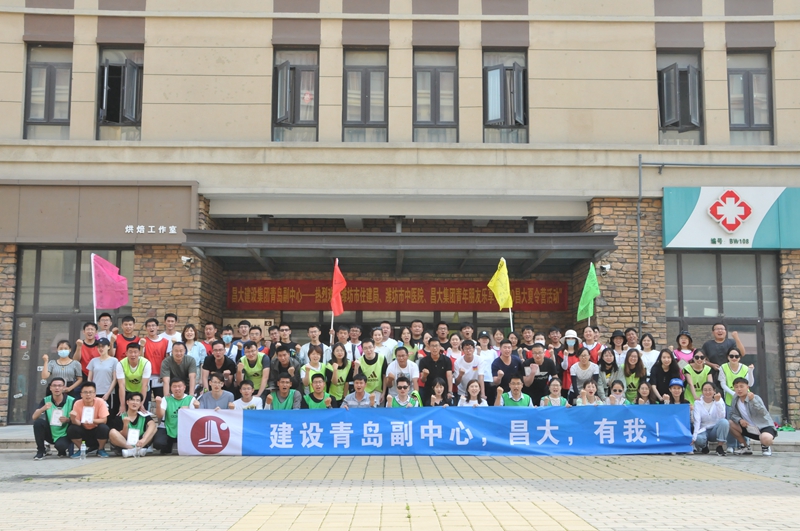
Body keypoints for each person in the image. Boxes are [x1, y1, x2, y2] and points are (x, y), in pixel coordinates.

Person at [729, 377, 776, 456]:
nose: (739, 389)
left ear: (747, 387)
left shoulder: (755, 397)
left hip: (763, 427)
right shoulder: (735, 399)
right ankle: (745, 447)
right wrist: (740, 420)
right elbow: (732, 414)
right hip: (749, 428)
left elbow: (763, 413)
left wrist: (753, 400)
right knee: (730, 423)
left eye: (741, 386)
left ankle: (765, 445)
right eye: (736, 387)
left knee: (766, 439)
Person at [31, 378, 75, 460]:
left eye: (59, 386)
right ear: (50, 388)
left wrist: (68, 420)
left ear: (64, 388)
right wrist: (42, 409)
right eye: (54, 386)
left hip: (64, 433)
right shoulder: (46, 400)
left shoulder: (71, 400)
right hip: (50, 432)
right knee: (38, 423)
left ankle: (62, 450)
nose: (57, 388)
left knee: (61, 446)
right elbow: (34, 417)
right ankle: (41, 451)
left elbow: (77, 419)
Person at [67, 382, 110, 458]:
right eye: (85, 392)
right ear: (81, 394)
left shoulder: (100, 402)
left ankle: (101, 449)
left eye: (90, 392)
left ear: (95, 394)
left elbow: (104, 420)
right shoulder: (77, 403)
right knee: (72, 428)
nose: (88, 395)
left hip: (96, 429)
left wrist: (92, 420)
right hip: (83, 429)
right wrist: (73, 418)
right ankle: (81, 450)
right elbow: (78, 423)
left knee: (104, 428)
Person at [108, 392, 156, 457]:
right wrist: (125, 425)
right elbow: (123, 436)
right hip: (125, 444)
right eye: (132, 400)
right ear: (127, 402)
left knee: (154, 428)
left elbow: (152, 424)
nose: (135, 402)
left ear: (140, 403)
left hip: (140, 442)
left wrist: (143, 439)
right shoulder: (120, 417)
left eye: (137, 401)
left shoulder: (144, 415)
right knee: (112, 432)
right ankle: (133, 450)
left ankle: (136, 450)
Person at [154, 379, 195, 454]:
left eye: (179, 386)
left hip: (185, 430)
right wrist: (158, 404)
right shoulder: (166, 399)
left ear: (184, 387)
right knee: (158, 444)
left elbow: (194, 418)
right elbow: (160, 415)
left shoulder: (191, 399)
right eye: (174, 386)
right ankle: (167, 447)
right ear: (171, 388)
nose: (177, 388)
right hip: (167, 427)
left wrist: (188, 410)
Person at [140, 318, 171, 401]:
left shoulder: (165, 341)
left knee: (161, 400)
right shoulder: (143, 341)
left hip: (160, 376)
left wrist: (164, 374)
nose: (151, 328)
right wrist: (142, 346)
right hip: (147, 376)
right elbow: (141, 358)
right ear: (146, 328)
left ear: (158, 327)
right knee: (145, 400)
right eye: (149, 326)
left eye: (153, 325)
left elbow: (167, 359)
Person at [693, 382, 729, 456]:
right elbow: (697, 420)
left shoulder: (719, 400)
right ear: (702, 391)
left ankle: (719, 447)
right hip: (703, 429)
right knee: (698, 438)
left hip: (715, 430)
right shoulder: (697, 403)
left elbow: (722, 416)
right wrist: (694, 435)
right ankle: (704, 446)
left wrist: (718, 402)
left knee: (724, 422)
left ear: (714, 391)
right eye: (705, 390)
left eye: (710, 390)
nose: (707, 392)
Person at [86, 338, 119, 418]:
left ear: (108, 347)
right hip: (95, 393)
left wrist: (108, 393)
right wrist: (91, 392)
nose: (101, 348)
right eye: (99, 346)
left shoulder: (114, 360)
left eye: (103, 346)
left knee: (108, 415)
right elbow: (89, 379)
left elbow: (115, 379)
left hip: (108, 393)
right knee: (94, 414)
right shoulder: (93, 361)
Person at [116, 343, 152, 411]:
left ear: (139, 353)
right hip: (128, 391)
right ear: (126, 353)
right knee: (126, 412)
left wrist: (141, 404)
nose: (133, 355)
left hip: (142, 391)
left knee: (142, 412)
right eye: (130, 352)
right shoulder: (120, 364)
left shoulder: (146, 363)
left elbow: (145, 385)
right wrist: (122, 405)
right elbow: (121, 385)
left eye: (135, 352)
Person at [419, 338, 453, 404]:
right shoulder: (423, 361)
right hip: (429, 391)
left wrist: (450, 392)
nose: (434, 348)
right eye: (432, 346)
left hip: (443, 390)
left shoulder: (446, 360)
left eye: (436, 346)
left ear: (440, 347)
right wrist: (425, 375)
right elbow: (423, 380)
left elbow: (449, 376)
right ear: (429, 347)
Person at [358, 338, 388, 405]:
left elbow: (384, 376)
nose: (368, 350)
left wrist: (383, 393)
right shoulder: (359, 361)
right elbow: (358, 379)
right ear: (362, 349)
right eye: (365, 348)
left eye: (370, 347)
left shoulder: (382, 358)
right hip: (365, 393)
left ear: (374, 347)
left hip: (379, 392)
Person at [325, 342, 354, 407]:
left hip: (345, 394)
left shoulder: (348, 363)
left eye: (341, 350)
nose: (339, 353)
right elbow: (334, 382)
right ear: (333, 353)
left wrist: (344, 396)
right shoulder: (329, 365)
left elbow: (347, 381)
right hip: (332, 395)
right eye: (337, 351)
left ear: (345, 352)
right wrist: (335, 370)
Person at [560, 329, 580, 394]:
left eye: (572, 338)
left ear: (576, 340)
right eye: (568, 338)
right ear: (565, 340)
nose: (570, 340)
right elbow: (564, 367)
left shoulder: (579, 353)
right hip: (565, 382)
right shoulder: (561, 353)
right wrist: (565, 356)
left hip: (578, 382)